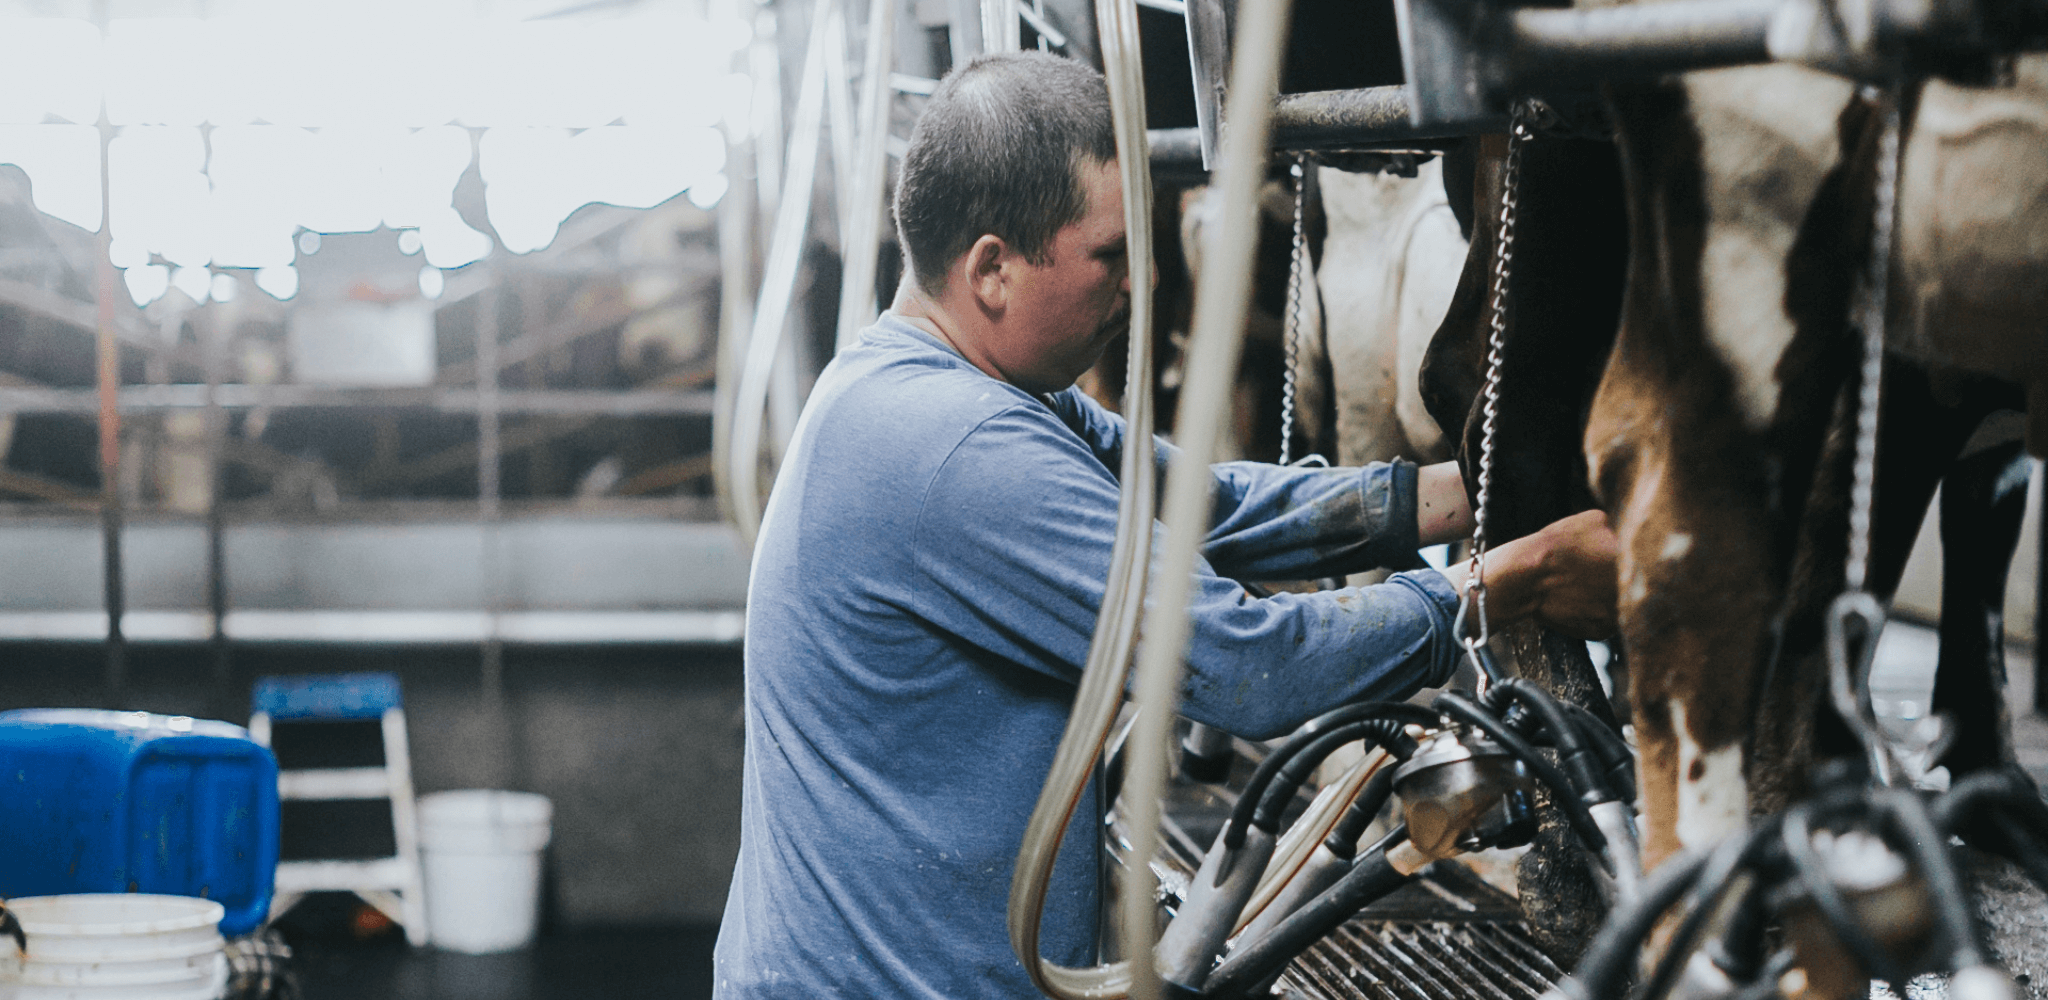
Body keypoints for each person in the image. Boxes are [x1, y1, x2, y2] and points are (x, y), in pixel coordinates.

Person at [711, 51, 1618, 999]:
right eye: (1110, 255)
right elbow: (1246, 665)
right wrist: (1510, 580)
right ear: (992, 271)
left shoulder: (954, 388)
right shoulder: (962, 449)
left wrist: (1472, 491)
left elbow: (1205, 505)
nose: (1140, 286)